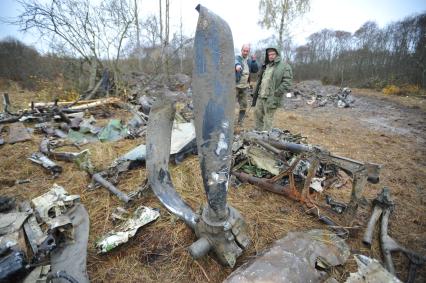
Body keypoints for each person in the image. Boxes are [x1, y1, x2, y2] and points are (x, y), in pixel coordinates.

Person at [252, 47, 293, 131]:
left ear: (277, 54)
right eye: (269, 54)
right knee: (257, 115)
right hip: (261, 96)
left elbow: (287, 82)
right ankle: (258, 135)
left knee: (268, 119)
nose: (271, 56)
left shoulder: (284, 66)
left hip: (271, 97)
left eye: (273, 54)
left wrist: (276, 93)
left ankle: (266, 139)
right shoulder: (266, 66)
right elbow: (261, 81)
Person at [235, 44, 259, 126]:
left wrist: (254, 61)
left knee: (244, 104)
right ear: (241, 50)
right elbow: (235, 62)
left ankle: (240, 122)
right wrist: (237, 65)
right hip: (235, 86)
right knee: (229, 104)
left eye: (247, 51)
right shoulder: (237, 57)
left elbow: (255, 70)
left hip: (245, 86)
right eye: (244, 50)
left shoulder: (249, 60)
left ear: (249, 51)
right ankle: (225, 121)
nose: (245, 52)